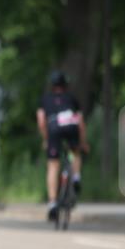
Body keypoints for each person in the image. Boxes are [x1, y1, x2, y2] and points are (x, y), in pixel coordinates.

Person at [37, 70, 89, 221]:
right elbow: (80, 123)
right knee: (75, 151)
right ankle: (76, 177)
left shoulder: (45, 99)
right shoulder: (72, 98)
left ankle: (53, 203)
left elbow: (41, 121)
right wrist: (83, 143)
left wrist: (46, 139)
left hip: (54, 127)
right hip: (71, 126)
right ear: (65, 85)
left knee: (53, 165)